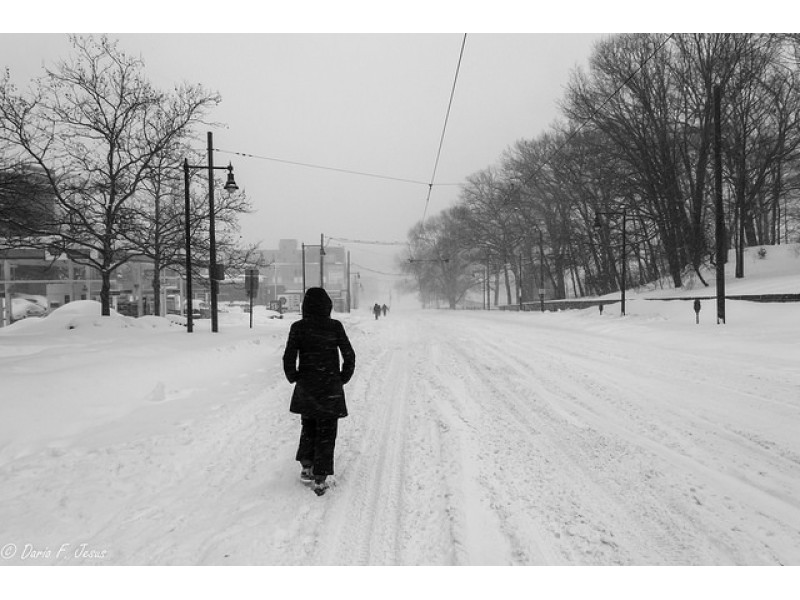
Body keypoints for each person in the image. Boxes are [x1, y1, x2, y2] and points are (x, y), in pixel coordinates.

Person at [283, 287, 356, 496]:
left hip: (307, 386)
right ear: (328, 306)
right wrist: (342, 378)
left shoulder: (298, 327)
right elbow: (349, 355)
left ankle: (306, 465)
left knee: (308, 425)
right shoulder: (334, 327)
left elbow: (289, 356)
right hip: (330, 387)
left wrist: (294, 377)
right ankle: (320, 477)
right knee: (327, 431)